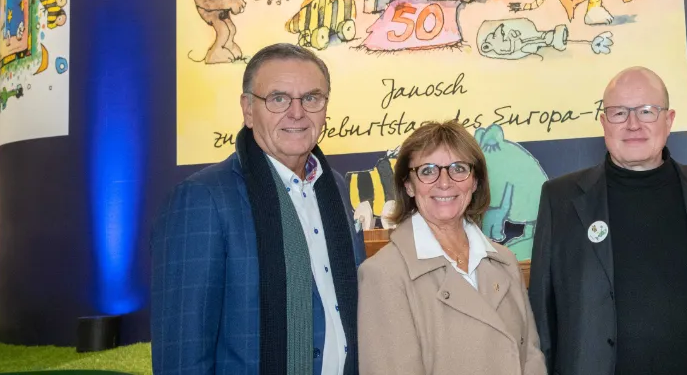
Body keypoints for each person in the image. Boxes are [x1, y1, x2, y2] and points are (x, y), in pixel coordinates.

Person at [152, 43, 366, 375]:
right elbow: (182, 354)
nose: (297, 113)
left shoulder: (334, 187)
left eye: (311, 98)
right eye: (278, 99)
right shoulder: (203, 198)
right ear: (248, 109)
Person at [528, 67, 687, 375]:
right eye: (619, 113)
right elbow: (541, 319)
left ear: (669, 120)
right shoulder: (560, 200)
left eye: (647, 111)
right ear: (603, 123)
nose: (633, 124)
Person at [358, 121, 545, 375]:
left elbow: (531, 357)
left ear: (475, 181)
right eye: (427, 171)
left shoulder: (505, 261)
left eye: (458, 168)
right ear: (408, 185)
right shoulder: (384, 274)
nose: (444, 182)